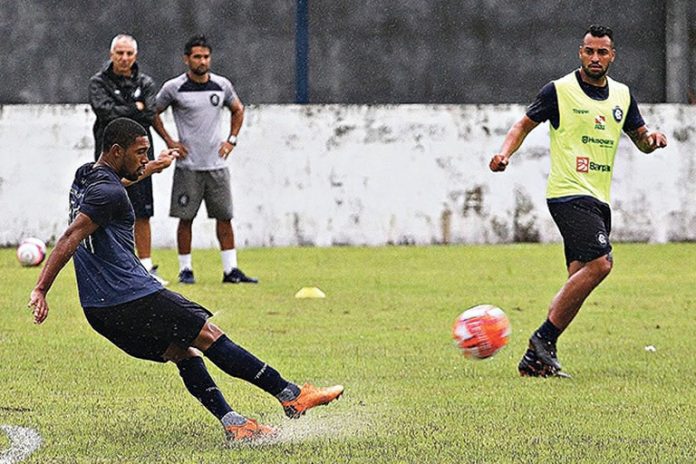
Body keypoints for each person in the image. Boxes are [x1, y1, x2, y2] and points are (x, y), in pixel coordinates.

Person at [27, 118, 344, 442]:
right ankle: (290, 394)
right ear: (117, 151)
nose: (145, 159)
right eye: (140, 153)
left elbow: (113, 187)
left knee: (183, 351)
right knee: (208, 334)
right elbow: (70, 236)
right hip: (131, 296)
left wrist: (153, 168)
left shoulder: (87, 176)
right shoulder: (109, 193)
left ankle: (235, 424)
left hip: (99, 310)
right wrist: (41, 288)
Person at [489, 25, 667, 378]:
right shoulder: (559, 90)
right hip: (568, 193)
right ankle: (542, 338)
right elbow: (522, 125)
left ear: (612, 55)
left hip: (599, 197)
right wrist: (504, 154)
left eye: (602, 52)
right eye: (589, 51)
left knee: (578, 279)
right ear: (580, 53)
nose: (595, 58)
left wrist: (653, 139)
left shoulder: (622, 96)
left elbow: (641, 140)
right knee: (601, 265)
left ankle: (536, 361)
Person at [152, 34, 255, 285]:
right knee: (185, 218)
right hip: (188, 166)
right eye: (197, 57)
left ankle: (231, 270)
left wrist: (231, 140)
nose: (202, 61)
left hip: (216, 165)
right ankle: (185, 269)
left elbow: (238, 109)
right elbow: (154, 112)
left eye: (206, 56)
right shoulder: (174, 88)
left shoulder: (221, 85)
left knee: (224, 217)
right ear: (187, 59)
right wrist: (170, 142)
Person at [89, 34, 167, 284]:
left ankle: (145, 268)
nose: (124, 58)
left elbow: (150, 113)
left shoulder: (145, 82)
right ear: (111, 54)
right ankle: (109, 265)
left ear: (135, 56)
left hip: (140, 155)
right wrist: (135, 108)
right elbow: (105, 112)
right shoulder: (98, 82)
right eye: (119, 53)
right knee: (106, 208)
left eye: (129, 54)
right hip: (110, 157)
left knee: (142, 211)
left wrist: (132, 110)